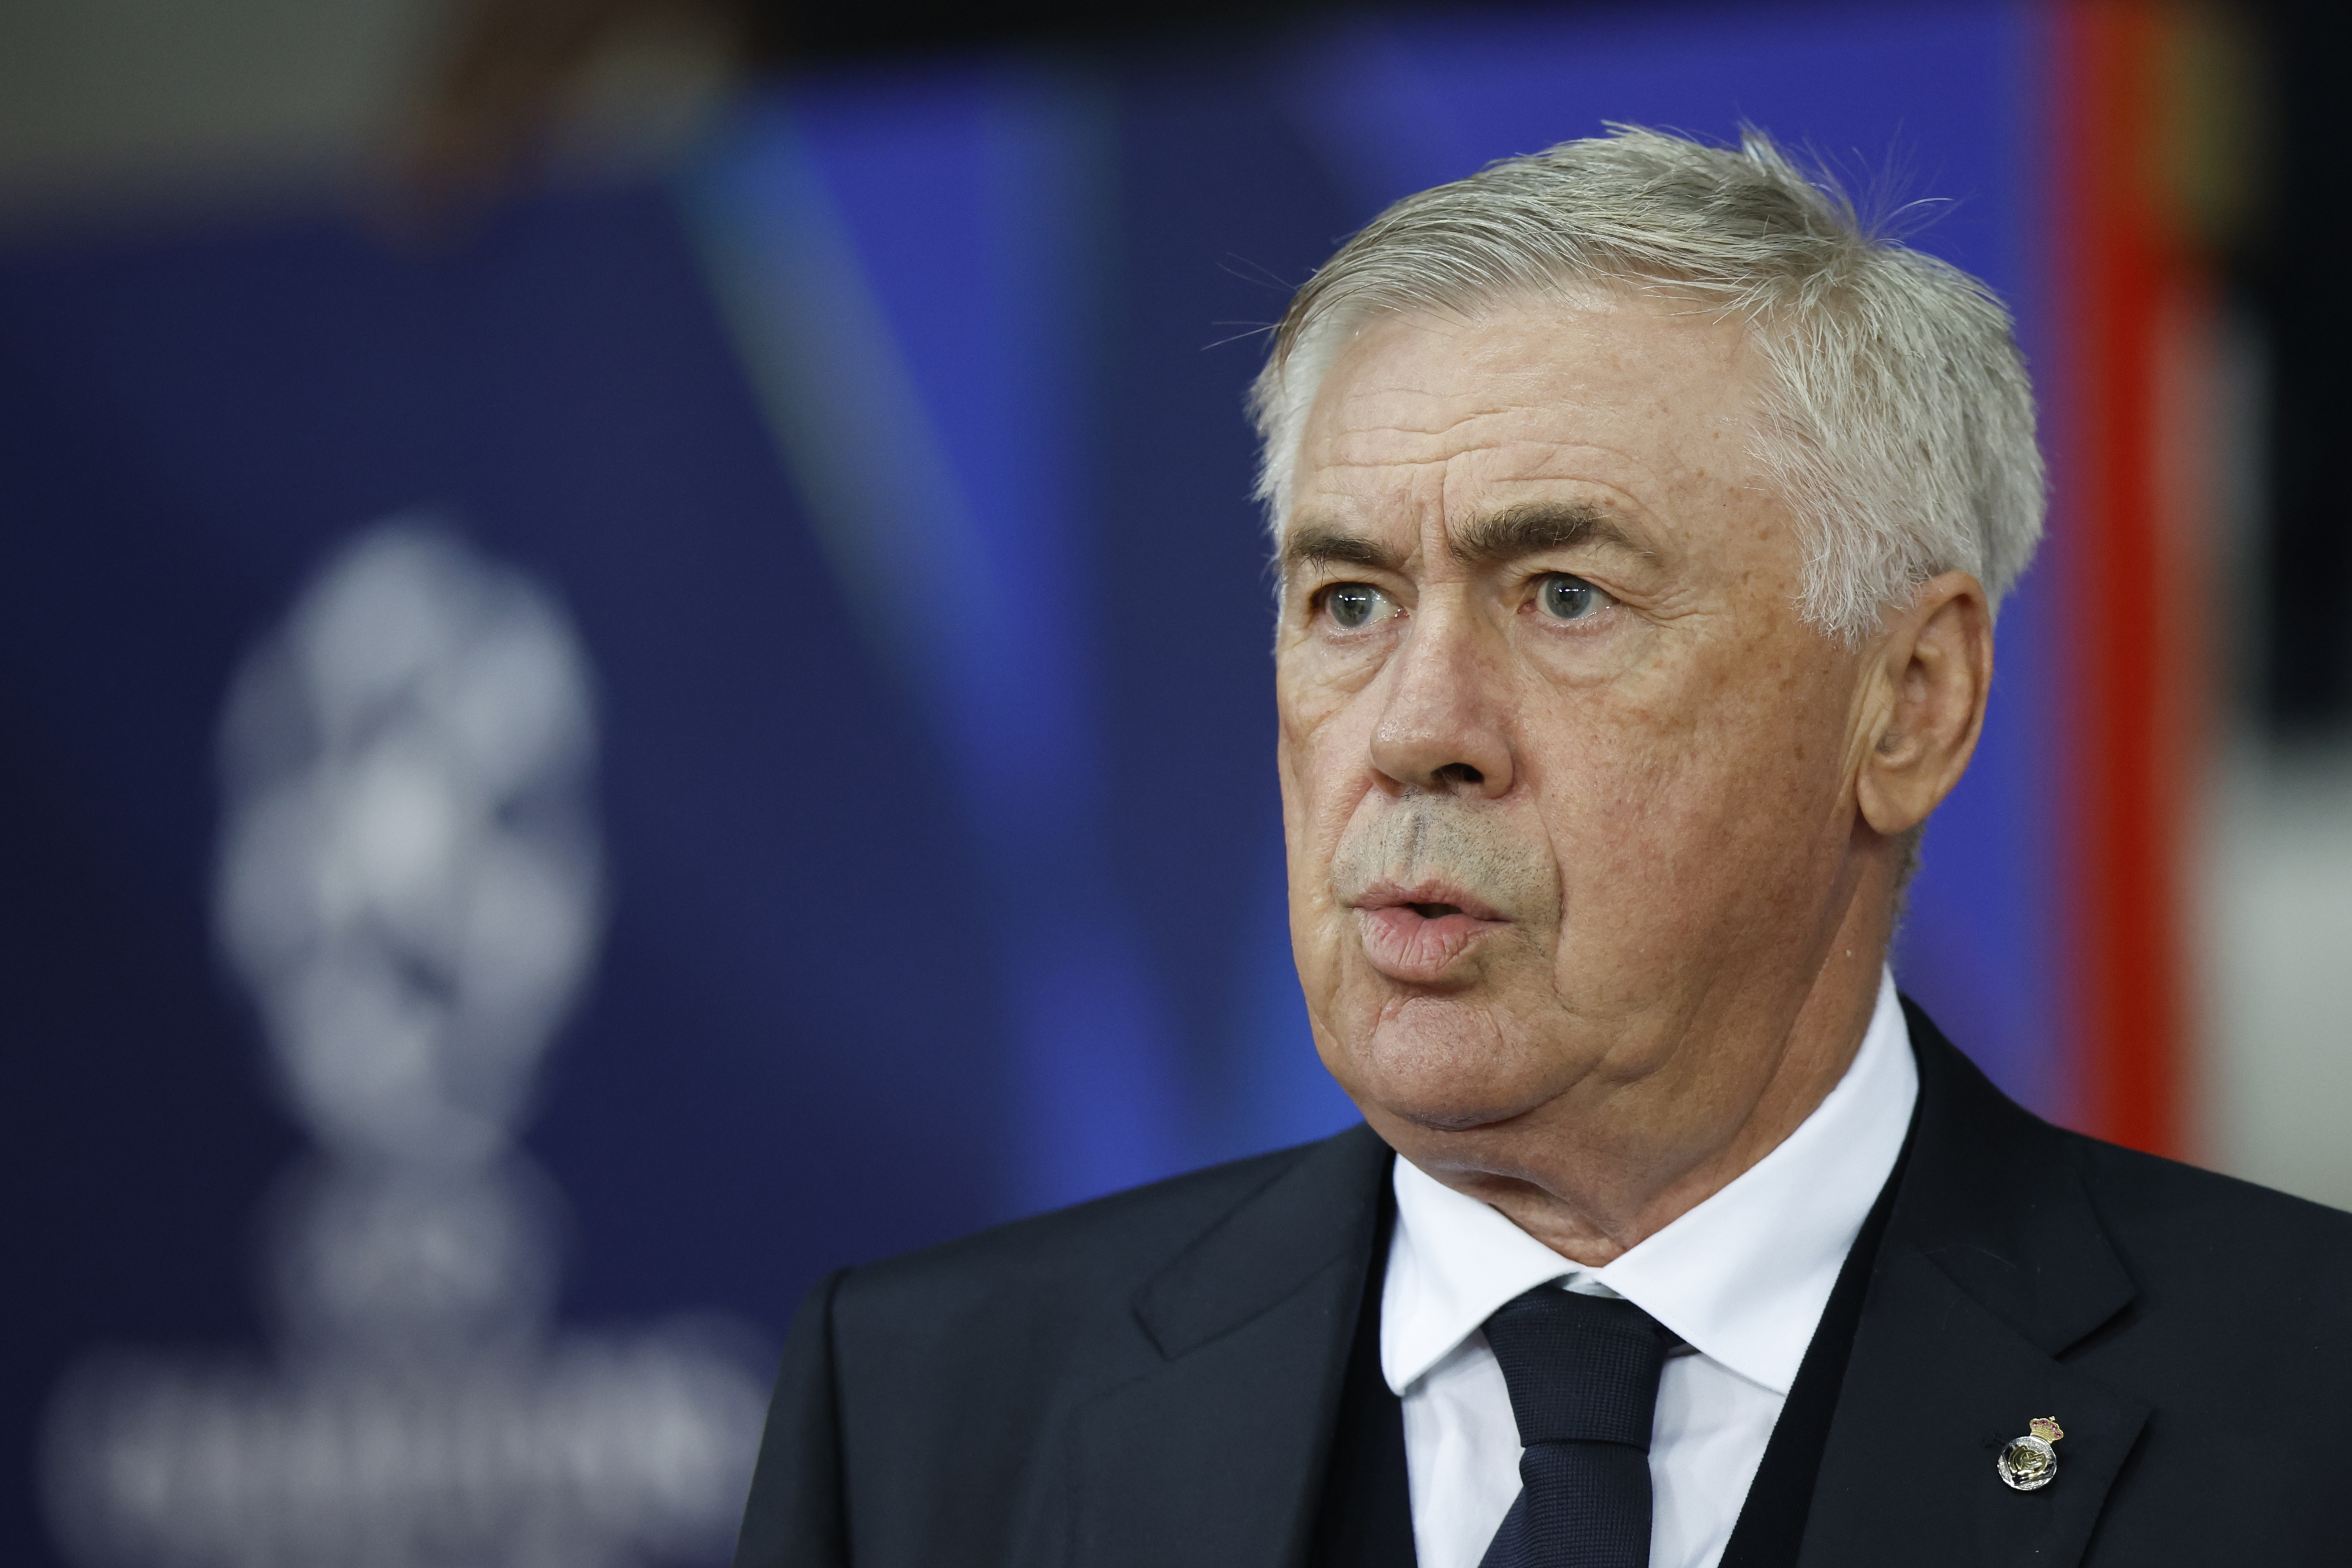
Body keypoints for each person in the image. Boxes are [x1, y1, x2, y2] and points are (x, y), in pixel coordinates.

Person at [731, 128, 2352, 1568]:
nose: (1414, 727)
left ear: (1908, 703)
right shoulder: (926, 1412)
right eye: (1347, 601)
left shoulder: (2304, 1404)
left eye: (1564, 593)